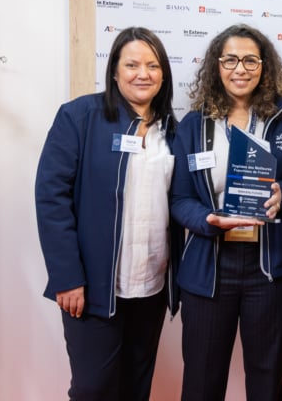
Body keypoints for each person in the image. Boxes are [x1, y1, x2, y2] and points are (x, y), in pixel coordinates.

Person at [35, 26, 180, 401]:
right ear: (114, 71)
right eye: (131, 64)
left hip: (150, 284)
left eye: (152, 65)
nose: (142, 73)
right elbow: (51, 198)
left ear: (163, 73)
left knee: (136, 385)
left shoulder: (174, 131)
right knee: (94, 389)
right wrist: (67, 276)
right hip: (93, 287)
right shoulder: (79, 117)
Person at [170, 23, 282, 401]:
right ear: (217, 65)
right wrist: (207, 221)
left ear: (264, 67)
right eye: (230, 59)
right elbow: (179, 198)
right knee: (201, 379)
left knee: (266, 380)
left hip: (269, 269)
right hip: (208, 267)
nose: (240, 69)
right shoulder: (194, 124)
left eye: (250, 60)